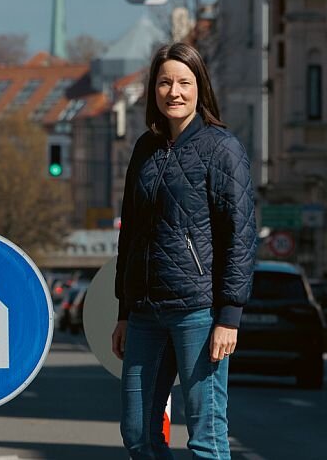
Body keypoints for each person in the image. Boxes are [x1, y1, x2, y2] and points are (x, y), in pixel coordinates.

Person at [110, 42, 256, 460]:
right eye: (165, 82)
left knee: (206, 438)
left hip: (200, 311)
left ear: (200, 88)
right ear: (154, 90)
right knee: (138, 433)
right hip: (144, 313)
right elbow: (131, 233)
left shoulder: (220, 148)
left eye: (184, 83)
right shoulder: (145, 148)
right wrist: (124, 310)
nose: (174, 92)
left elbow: (240, 236)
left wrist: (229, 315)